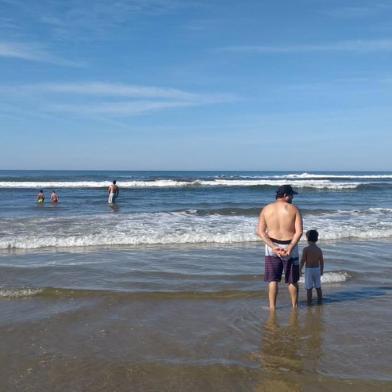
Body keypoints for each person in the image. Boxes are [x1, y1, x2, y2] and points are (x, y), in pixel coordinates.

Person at [257, 185, 303, 310]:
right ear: (285, 195)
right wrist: (290, 247)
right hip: (290, 245)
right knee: (292, 280)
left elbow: (260, 232)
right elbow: (299, 232)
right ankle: (294, 306)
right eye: (291, 195)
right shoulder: (294, 209)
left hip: (272, 245)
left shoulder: (266, 209)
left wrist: (273, 247)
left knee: (273, 280)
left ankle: (272, 307)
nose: (292, 197)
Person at [300, 230, 324, 305]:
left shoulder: (306, 249)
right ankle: (320, 300)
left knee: (309, 288)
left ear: (307, 238)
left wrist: (299, 269)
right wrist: (321, 271)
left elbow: (303, 260)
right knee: (318, 287)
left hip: (309, 270)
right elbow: (322, 262)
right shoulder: (319, 250)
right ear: (316, 238)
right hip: (317, 270)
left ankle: (309, 303)